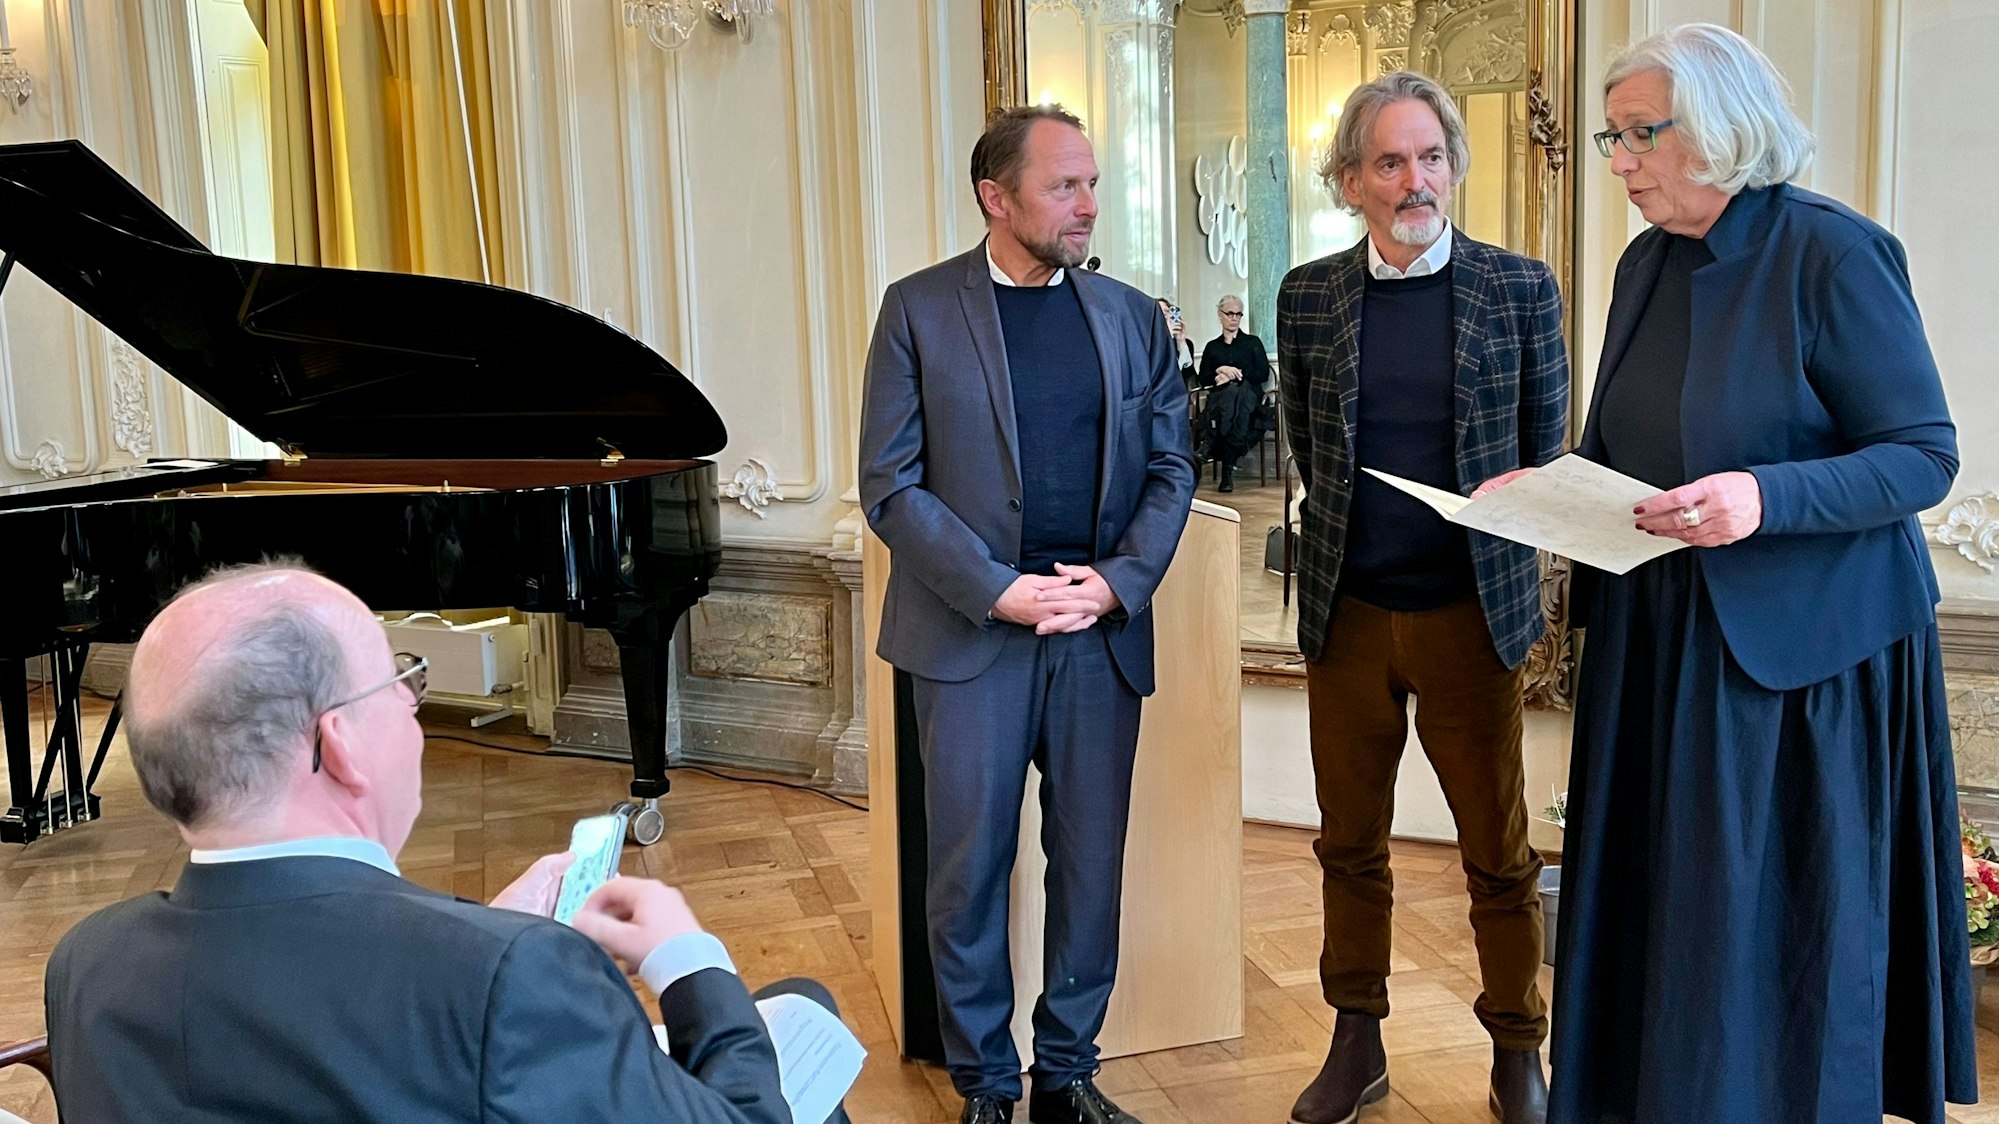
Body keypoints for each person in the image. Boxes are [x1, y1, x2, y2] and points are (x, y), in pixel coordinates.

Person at [1488, 24, 1972, 1123]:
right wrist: (1555, 488)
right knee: (1678, 919)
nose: (1619, 160)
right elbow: (1628, 445)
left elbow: (1921, 455)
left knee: (1772, 928)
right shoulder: (1646, 261)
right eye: (1612, 137)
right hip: (1660, 637)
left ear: (1720, 126)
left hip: (1801, 663)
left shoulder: (1832, 253)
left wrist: (1763, 496)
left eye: (1638, 134)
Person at [42, 562, 850, 1124]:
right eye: (400, 680)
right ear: (341, 743)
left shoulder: (87, 962)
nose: (412, 702)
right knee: (800, 1013)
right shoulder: (510, 978)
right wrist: (688, 959)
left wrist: (483, 937)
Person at [858, 104, 1195, 1124]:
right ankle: (986, 1085)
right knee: (967, 872)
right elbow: (890, 483)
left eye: (1092, 182)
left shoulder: (1133, 317)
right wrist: (995, 586)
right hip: (971, 637)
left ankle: (1066, 1072)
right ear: (995, 197)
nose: (1088, 204)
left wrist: (1116, 581)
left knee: (1090, 868)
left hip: (1097, 636)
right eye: (1065, 186)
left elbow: (1172, 465)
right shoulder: (916, 310)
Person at [1275, 70, 1569, 1124]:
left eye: (1431, 156)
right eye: (1390, 161)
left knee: (1497, 850)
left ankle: (1516, 1049)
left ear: (1454, 165)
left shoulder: (1519, 287)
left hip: (1468, 617)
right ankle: (1355, 1041)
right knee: (1346, 840)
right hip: (1345, 617)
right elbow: (1309, 451)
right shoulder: (1308, 294)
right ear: (1350, 179)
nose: (1415, 179)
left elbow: (1545, 456)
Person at [1195, 294, 1268, 492]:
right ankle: (1227, 472)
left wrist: (1234, 374)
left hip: (1249, 398)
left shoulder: (1252, 342)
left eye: (1238, 314)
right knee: (1228, 401)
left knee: (1233, 395)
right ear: (1220, 315)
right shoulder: (1212, 347)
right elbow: (1203, 379)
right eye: (1230, 313)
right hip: (1222, 402)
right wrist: (1220, 370)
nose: (1234, 318)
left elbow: (1262, 373)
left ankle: (1208, 443)